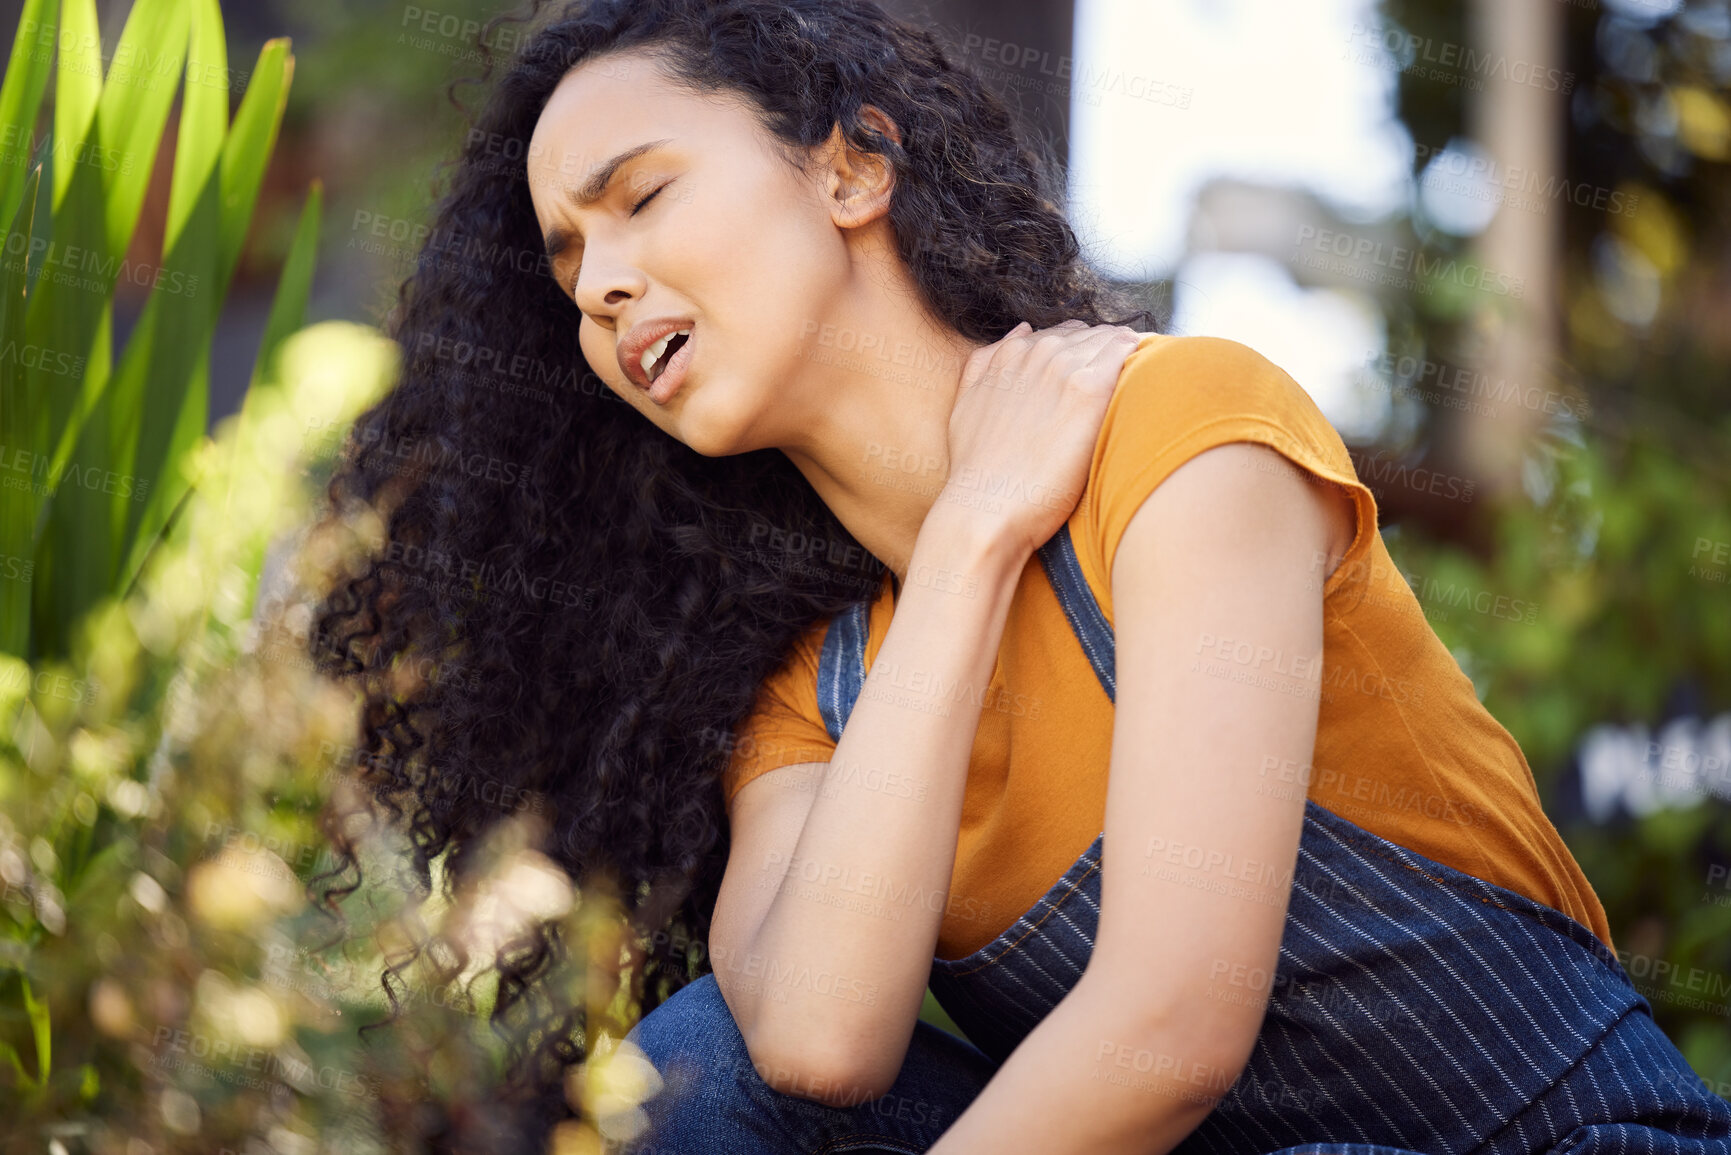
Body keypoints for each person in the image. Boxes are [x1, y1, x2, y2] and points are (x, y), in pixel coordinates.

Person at [307, 0, 1731, 1152]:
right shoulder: (808, 683)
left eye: (643, 198)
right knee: (701, 1067)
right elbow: (812, 1045)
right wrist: (976, 536)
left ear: (852, 165)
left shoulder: (1180, 437)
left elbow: (1172, 1031)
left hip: (1571, 1141)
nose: (602, 285)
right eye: (569, 265)